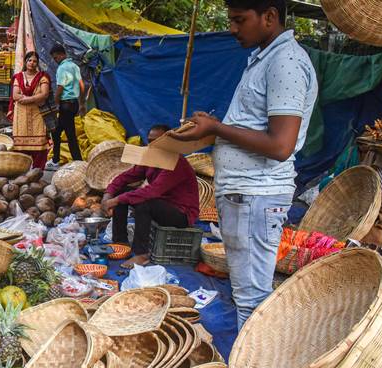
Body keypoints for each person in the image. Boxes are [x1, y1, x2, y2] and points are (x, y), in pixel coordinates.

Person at [170, 0, 317, 329]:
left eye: (239, 20)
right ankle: (250, 367)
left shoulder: (286, 62)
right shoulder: (264, 59)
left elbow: (280, 145)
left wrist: (217, 128)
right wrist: (214, 126)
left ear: (269, 16)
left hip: (256, 196)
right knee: (247, 294)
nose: (233, 29)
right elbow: (255, 128)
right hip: (245, 194)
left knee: (252, 300)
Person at [102, 125, 200, 268]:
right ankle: (120, 242)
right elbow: (126, 176)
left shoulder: (176, 163)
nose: (152, 146)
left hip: (181, 213)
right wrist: (108, 194)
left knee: (144, 203)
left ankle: (141, 254)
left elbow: (152, 192)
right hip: (161, 204)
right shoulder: (151, 158)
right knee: (121, 191)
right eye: (150, 141)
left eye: (157, 142)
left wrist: (115, 201)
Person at [9, 51, 52, 170]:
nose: (32, 63)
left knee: (39, 143)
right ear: (25, 62)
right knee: (20, 142)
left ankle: (37, 171)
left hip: (37, 113)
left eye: (35, 61)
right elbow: (15, 95)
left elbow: (44, 94)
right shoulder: (18, 77)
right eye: (30, 60)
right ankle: (21, 171)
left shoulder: (42, 77)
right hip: (21, 114)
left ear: (37, 63)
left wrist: (28, 99)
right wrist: (32, 99)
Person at [45, 44, 85, 171]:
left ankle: (78, 162)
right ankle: (56, 159)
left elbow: (60, 88)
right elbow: (82, 85)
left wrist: (56, 104)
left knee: (70, 134)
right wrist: (82, 103)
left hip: (65, 104)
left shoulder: (62, 68)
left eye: (56, 58)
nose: (55, 60)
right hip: (74, 104)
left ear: (62, 55)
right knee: (56, 132)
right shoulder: (74, 66)